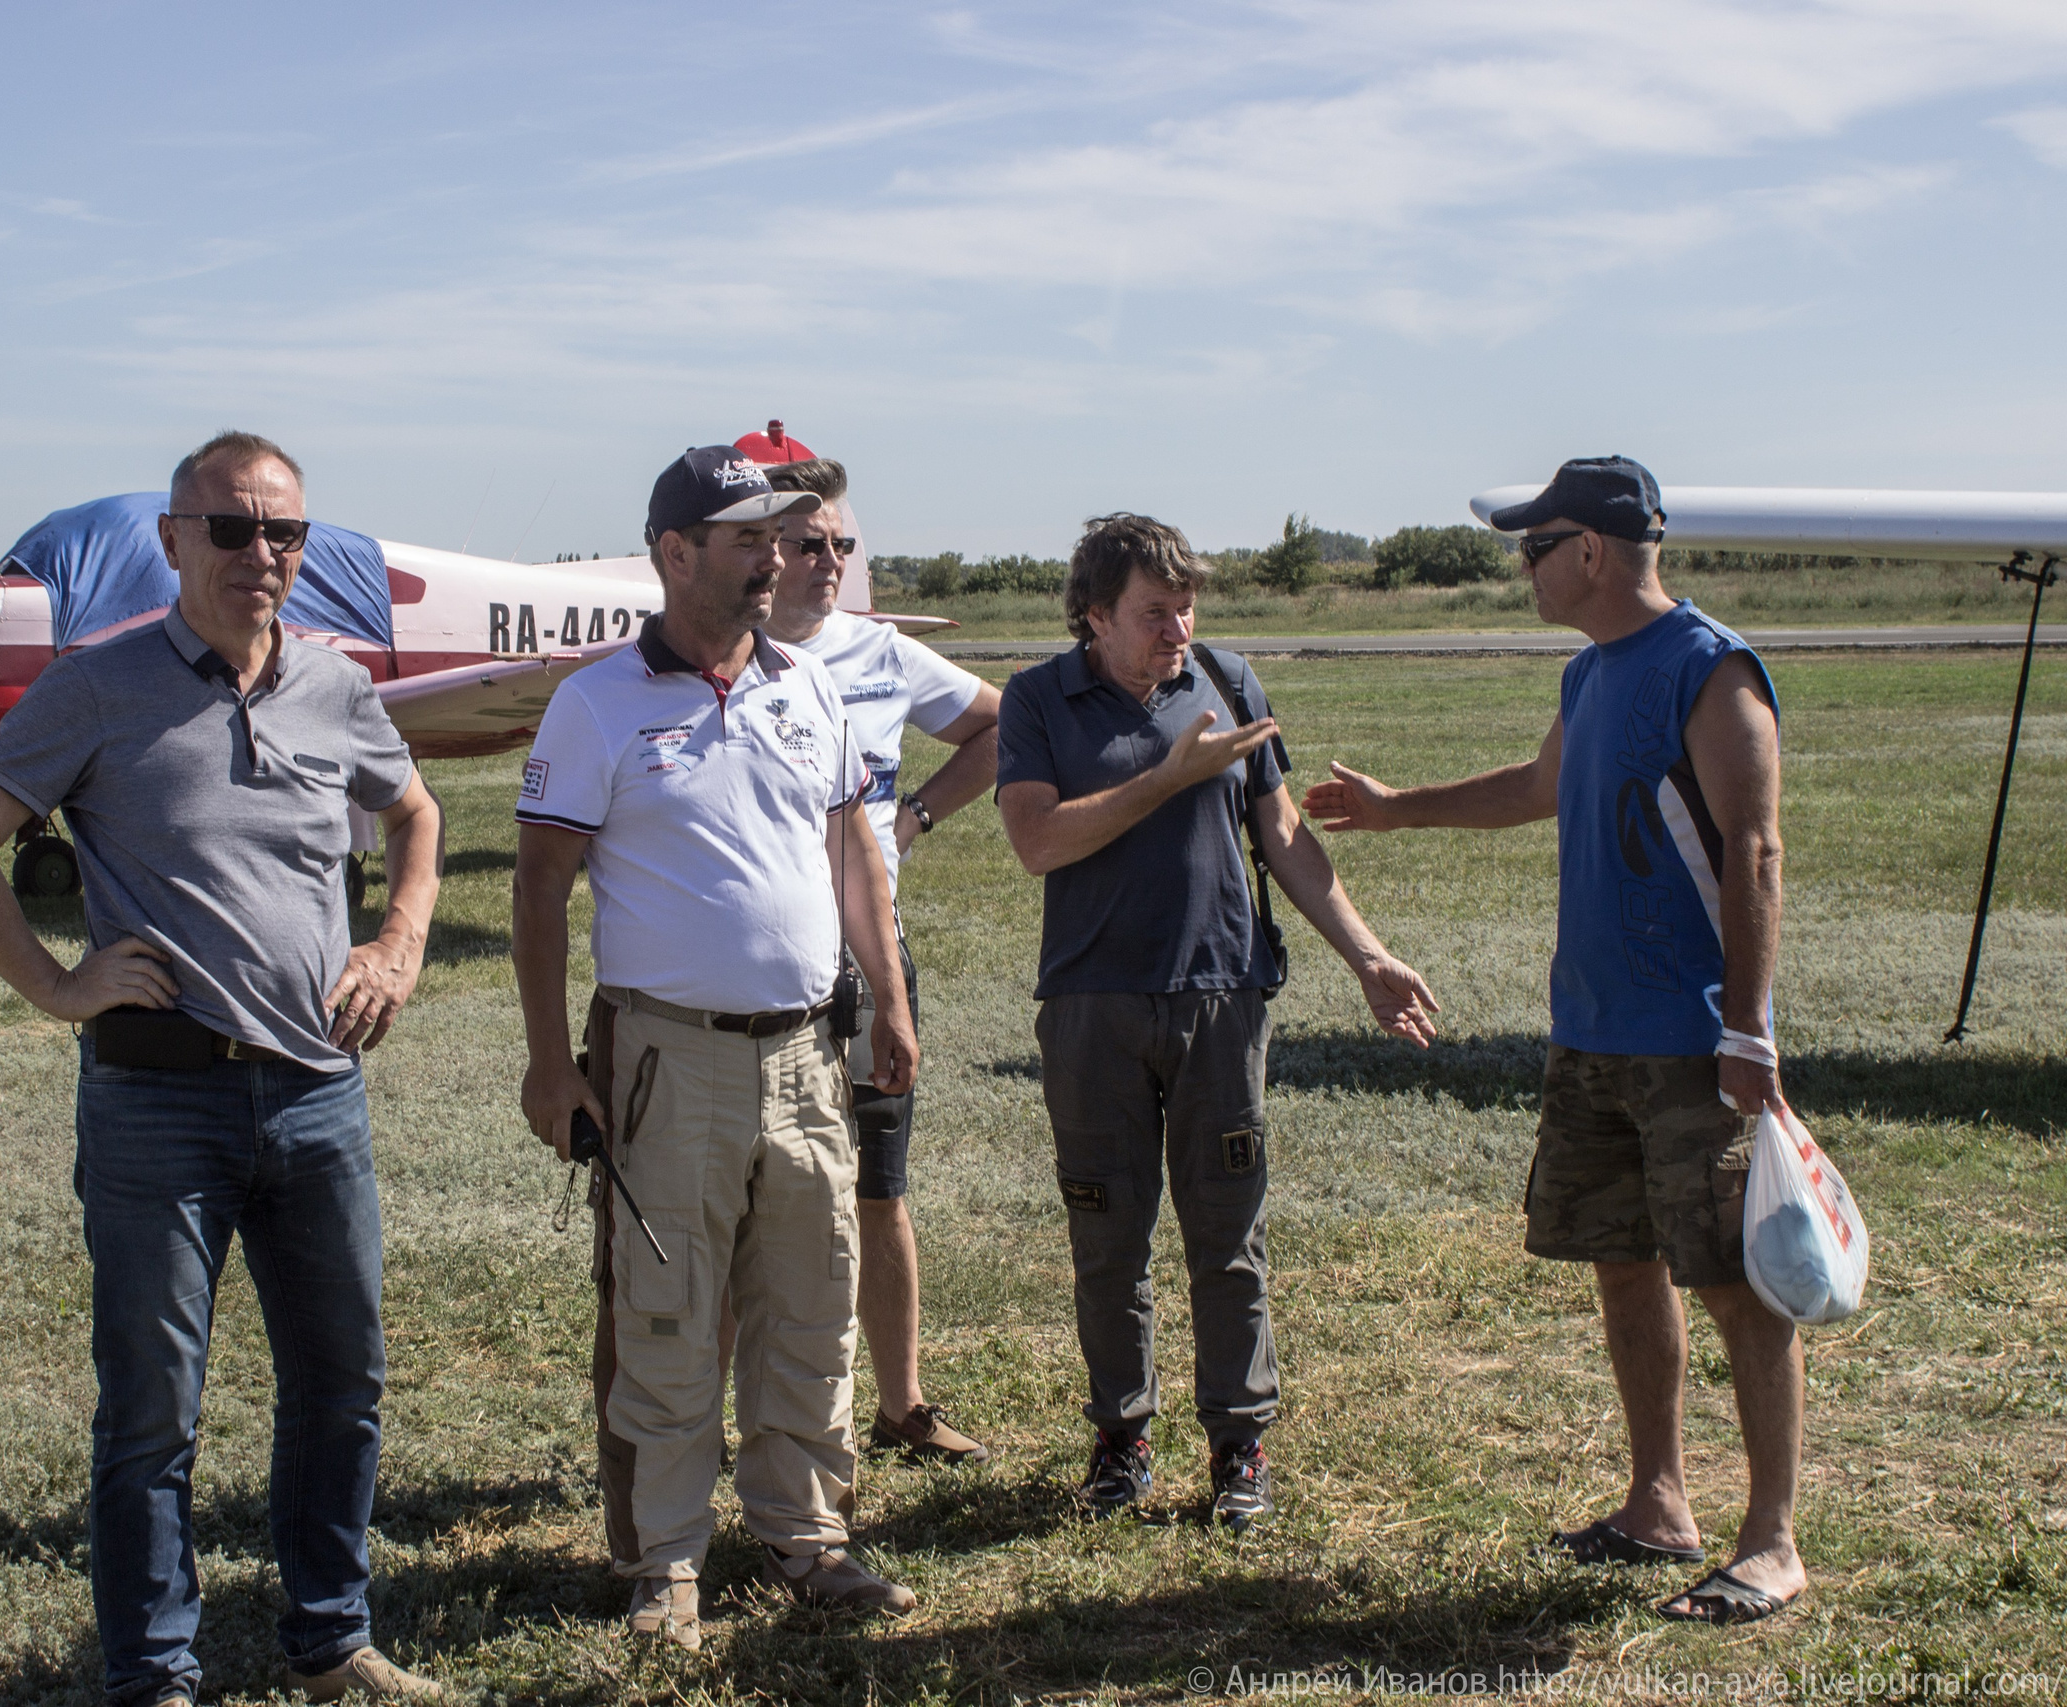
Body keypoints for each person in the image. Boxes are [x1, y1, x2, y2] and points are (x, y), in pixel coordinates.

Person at [0, 431, 445, 1704]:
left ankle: (329, 1641)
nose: (262, 555)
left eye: (286, 534)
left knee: (343, 1383)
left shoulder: (334, 683)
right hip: (160, 1103)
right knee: (152, 1412)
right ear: (172, 540)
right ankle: (153, 1672)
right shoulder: (98, 688)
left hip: (320, 1096)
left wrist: (399, 941)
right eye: (232, 529)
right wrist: (55, 986)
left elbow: (415, 812)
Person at [1302, 456, 1804, 1625]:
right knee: (1621, 1260)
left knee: (1734, 1283)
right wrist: (1393, 809)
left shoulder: (1710, 670)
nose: (1522, 566)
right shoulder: (1589, 678)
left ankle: (1772, 1539)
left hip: (1690, 1042)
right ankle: (1658, 1503)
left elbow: (1757, 853)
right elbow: (1539, 785)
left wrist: (1747, 1030)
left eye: (1533, 546)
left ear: (1588, 551)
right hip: (1588, 1035)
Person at [512, 445, 921, 1653]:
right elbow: (539, 891)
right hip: (664, 1060)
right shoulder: (596, 703)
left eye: (784, 540)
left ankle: (808, 1538)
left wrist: (887, 1002)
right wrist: (551, 1063)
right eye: (748, 540)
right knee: (669, 1310)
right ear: (675, 552)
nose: (777, 560)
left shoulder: (807, 685)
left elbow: (853, 854)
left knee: (811, 1298)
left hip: (807, 1054)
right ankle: (665, 1564)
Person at [994, 512, 1438, 1527]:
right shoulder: (1037, 700)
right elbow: (1035, 842)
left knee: (1227, 1239)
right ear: (1096, 615)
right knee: (1107, 1238)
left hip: (1221, 999)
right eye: (1155, 611)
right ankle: (1121, 1437)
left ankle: (1239, 1447)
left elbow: (1280, 837)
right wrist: (1165, 779)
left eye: (1187, 605)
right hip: (1091, 1006)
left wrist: (1366, 955)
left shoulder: (1229, 680)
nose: (1178, 628)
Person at [757, 453, 1001, 1466]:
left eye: (843, 546)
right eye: (809, 545)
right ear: (762, 550)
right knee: (750, 1204)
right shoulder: (721, 657)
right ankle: (742, 1427)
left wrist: (920, 814)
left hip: (869, 964)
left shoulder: (883, 654)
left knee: (879, 1186)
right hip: (761, 972)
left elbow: (1003, 723)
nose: (829, 563)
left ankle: (902, 1405)